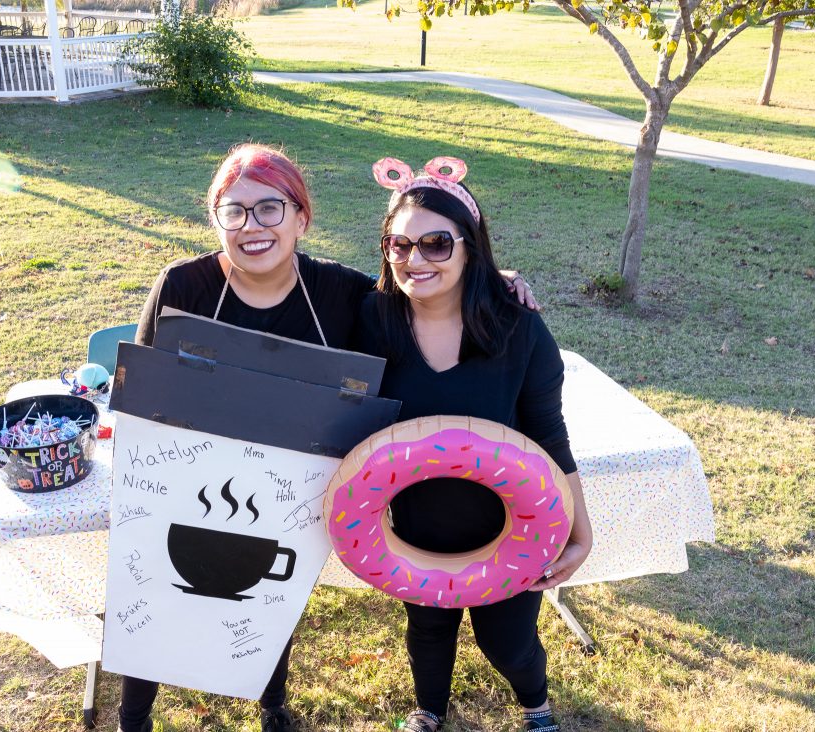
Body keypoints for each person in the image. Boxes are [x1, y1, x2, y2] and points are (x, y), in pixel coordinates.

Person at [119, 144, 537, 732]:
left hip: (285, 491)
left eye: (270, 208)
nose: (252, 227)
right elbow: (142, 391)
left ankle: (273, 708)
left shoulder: (339, 293)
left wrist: (494, 278)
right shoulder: (181, 286)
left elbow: (418, 281)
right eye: (232, 212)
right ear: (215, 221)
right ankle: (132, 718)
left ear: (301, 217)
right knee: (159, 597)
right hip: (186, 475)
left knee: (266, 596)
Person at [354, 157, 594, 732]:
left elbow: (550, 434)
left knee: (508, 642)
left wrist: (581, 532)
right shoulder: (372, 319)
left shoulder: (519, 329)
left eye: (437, 243)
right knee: (428, 631)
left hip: (511, 531)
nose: (415, 259)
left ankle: (536, 705)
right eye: (399, 244)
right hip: (417, 527)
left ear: (469, 247)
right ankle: (428, 709)